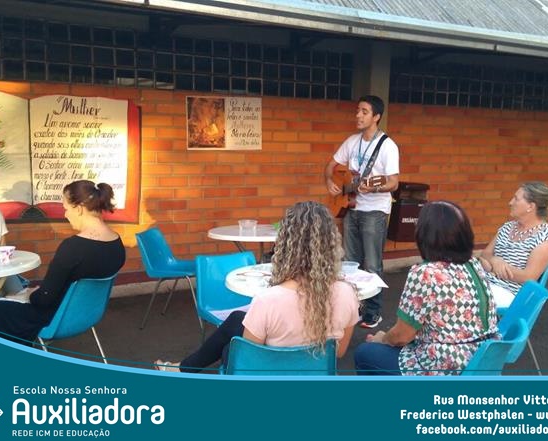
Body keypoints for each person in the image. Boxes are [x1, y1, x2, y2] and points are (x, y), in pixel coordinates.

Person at [154, 201, 359, 373]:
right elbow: (339, 352)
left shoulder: (268, 300)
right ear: (332, 243)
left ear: (286, 243)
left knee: (229, 347)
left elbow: (251, 360)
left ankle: (183, 369)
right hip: (316, 375)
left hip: (271, 377)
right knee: (237, 319)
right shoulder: (348, 293)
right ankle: (182, 368)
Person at [0, 180, 125, 343]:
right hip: (85, 315)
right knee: (11, 296)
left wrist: (30, 294)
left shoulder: (72, 248)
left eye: (66, 209)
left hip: (50, 317)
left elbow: (43, 300)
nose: (65, 215)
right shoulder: (116, 243)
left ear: (78, 209)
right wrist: (40, 292)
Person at [354, 201, 499, 375]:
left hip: (447, 367)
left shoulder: (426, 273)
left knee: (364, 352)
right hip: (482, 361)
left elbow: (401, 336)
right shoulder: (474, 265)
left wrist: (382, 339)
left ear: (424, 234)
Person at [324, 94, 399, 329]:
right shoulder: (352, 141)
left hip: (375, 210)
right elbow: (331, 166)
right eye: (358, 111)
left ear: (376, 117)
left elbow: (393, 182)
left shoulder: (387, 146)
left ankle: (373, 312)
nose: (358, 115)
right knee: (350, 262)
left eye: (364, 112)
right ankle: (352, 308)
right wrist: (330, 181)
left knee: (373, 264)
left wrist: (374, 187)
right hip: (351, 208)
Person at [479, 182, 548, 309]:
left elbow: (528, 277)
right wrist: (495, 260)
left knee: (459, 298)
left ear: (530, 206)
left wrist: (493, 268)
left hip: (511, 294)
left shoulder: (546, 240)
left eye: (516, 199)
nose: (510, 202)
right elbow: (485, 254)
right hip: (486, 282)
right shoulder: (508, 227)